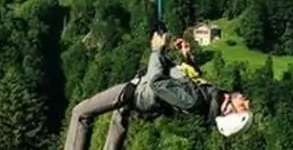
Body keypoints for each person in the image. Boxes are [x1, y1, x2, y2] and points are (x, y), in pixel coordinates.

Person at [64, 32, 253, 150]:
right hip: (143, 96)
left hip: (140, 93)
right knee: (118, 120)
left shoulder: (196, 101)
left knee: (80, 114)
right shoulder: (212, 96)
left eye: (243, 106)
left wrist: (157, 50)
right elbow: (191, 80)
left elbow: (157, 83)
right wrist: (187, 57)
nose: (246, 101)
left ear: (228, 111)